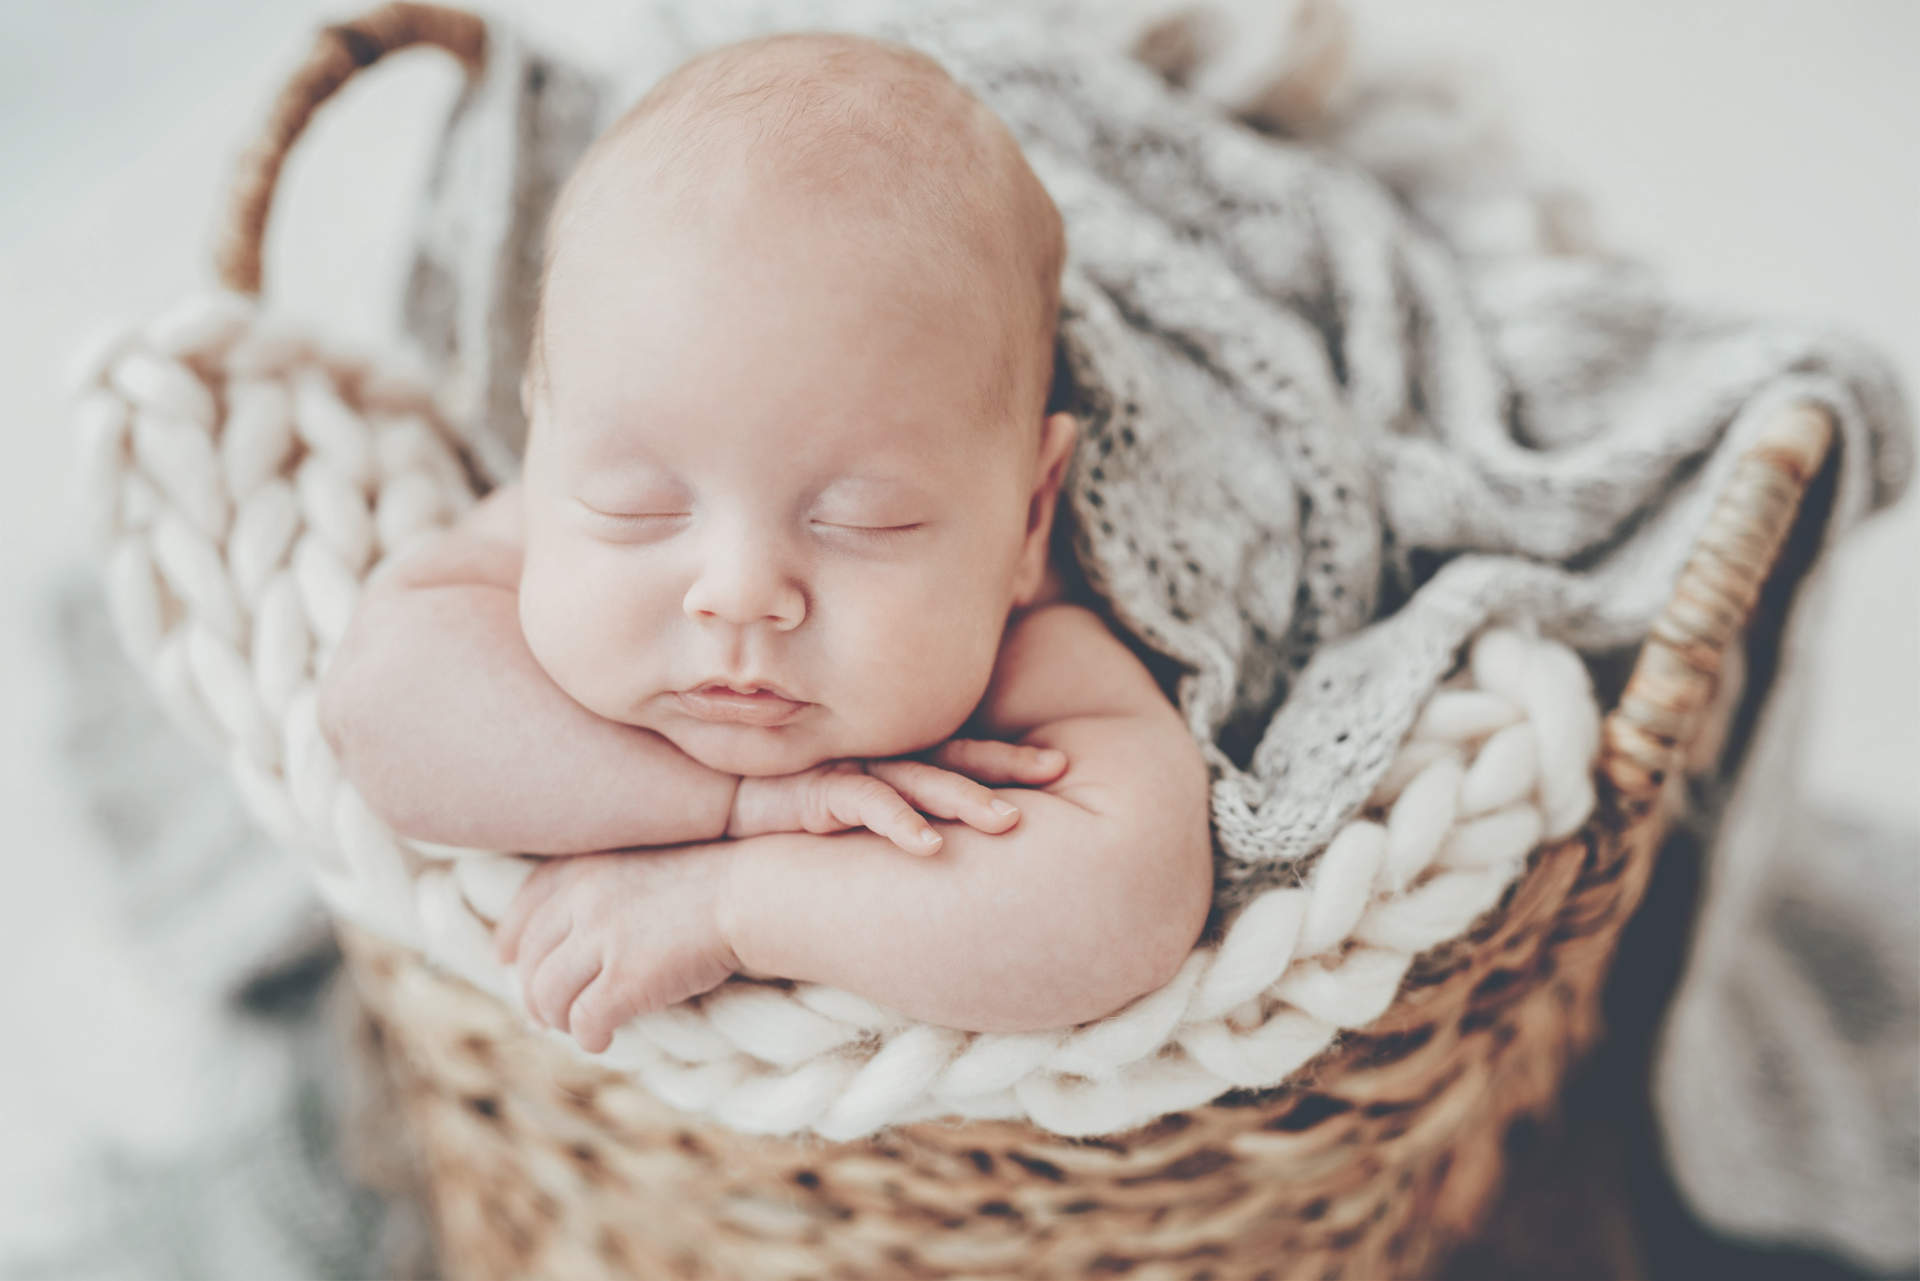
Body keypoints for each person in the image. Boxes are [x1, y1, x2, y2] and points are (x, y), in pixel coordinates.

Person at [318, 30, 1213, 1053]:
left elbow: (1121, 907)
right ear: (543, 444)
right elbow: (376, 705)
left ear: (1028, 517)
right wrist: (740, 804)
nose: (739, 594)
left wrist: (735, 902)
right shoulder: (579, 491)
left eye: (860, 521)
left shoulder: (1026, 641)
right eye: (643, 507)